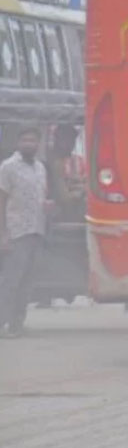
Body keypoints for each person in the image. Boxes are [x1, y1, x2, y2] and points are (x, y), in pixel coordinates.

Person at [0, 127, 51, 337]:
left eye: (32, 140)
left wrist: (48, 206)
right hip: (16, 232)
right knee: (10, 282)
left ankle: (17, 324)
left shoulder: (40, 168)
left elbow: (41, 197)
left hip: (36, 231)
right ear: (18, 143)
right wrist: (3, 234)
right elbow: (2, 201)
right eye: (24, 140)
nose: (28, 144)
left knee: (27, 283)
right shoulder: (8, 167)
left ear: (38, 144)